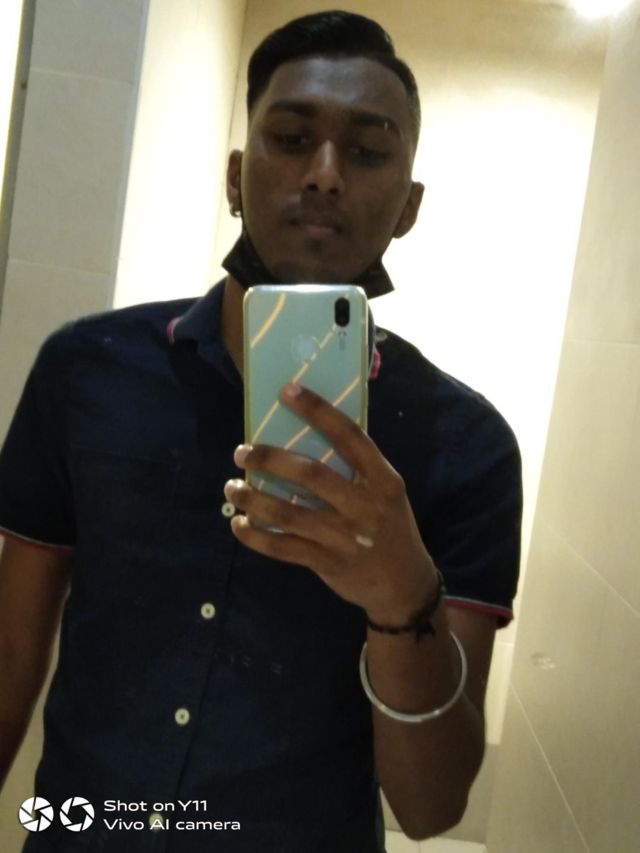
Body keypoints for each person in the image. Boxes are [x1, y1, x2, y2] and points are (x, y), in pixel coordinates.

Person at [0, 10, 521, 853]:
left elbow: (431, 806)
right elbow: (11, 651)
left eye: (367, 151)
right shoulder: (86, 371)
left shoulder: (467, 446)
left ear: (409, 206)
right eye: (291, 138)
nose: (324, 175)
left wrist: (402, 597)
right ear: (236, 177)